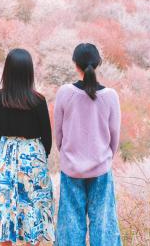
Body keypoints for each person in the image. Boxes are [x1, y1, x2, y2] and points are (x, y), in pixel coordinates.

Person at [54, 43, 122, 246]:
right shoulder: (110, 96)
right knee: (103, 224)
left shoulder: (65, 93)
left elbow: (58, 134)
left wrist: (68, 154)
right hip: (100, 167)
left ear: (75, 64)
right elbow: (114, 136)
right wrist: (104, 156)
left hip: (71, 168)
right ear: (98, 63)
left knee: (70, 225)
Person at [0, 48, 55, 246]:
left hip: (6, 157)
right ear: (29, 72)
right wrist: (39, 156)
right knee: (33, 207)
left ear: (6, 70)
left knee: (5, 207)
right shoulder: (38, 100)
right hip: (33, 159)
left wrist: (7, 150)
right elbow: (47, 137)